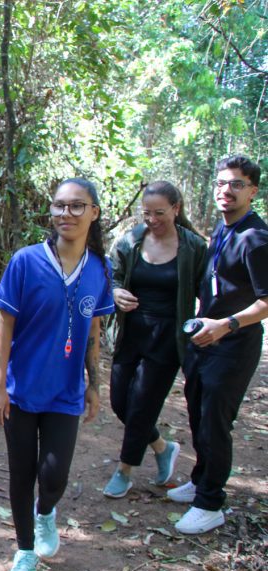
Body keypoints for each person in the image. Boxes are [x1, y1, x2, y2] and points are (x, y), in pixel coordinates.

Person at [0, 178, 115, 571]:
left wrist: (94, 384)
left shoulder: (99, 268)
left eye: (77, 206)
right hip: (22, 391)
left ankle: (46, 513)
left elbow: (94, 328)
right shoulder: (25, 261)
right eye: (59, 206)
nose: (66, 214)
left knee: (54, 475)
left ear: (94, 213)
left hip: (65, 392)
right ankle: (24, 553)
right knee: (21, 472)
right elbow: (4, 326)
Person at [168, 155, 268, 534]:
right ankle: (200, 480)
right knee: (197, 413)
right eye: (222, 184)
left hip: (234, 344)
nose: (227, 190)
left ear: (252, 191)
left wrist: (227, 324)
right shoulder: (223, 228)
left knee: (215, 421)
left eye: (237, 184)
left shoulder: (256, 239)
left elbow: (266, 301)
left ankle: (211, 503)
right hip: (203, 341)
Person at [103, 181, 207, 498]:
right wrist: (115, 291)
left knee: (143, 404)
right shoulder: (131, 240)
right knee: (121, 402)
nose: (152, 219)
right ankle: (163, 448)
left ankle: (125, 470)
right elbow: (110, 274)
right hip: (131, 332)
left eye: (159, 212)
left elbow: (208, 290)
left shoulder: (193, 247)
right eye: (146, 213)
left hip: (167, 338)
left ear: (176, 209)